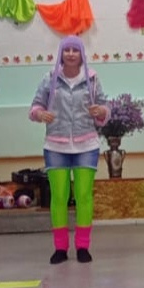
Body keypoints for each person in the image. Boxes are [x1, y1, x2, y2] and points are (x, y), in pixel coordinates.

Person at [29, 35, 109, 264]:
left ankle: (83, 247)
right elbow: (35, 106)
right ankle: (60, 248)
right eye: (67, 50)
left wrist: (101, 111)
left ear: (82, 54)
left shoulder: (92, 78)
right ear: (61, 54)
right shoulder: (49, 78)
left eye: (75, 50)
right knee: (59, 197)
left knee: (83, 196)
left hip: (87, 144)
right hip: (56, 144)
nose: (71, 54)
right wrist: (39, 114)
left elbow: (104, 106)